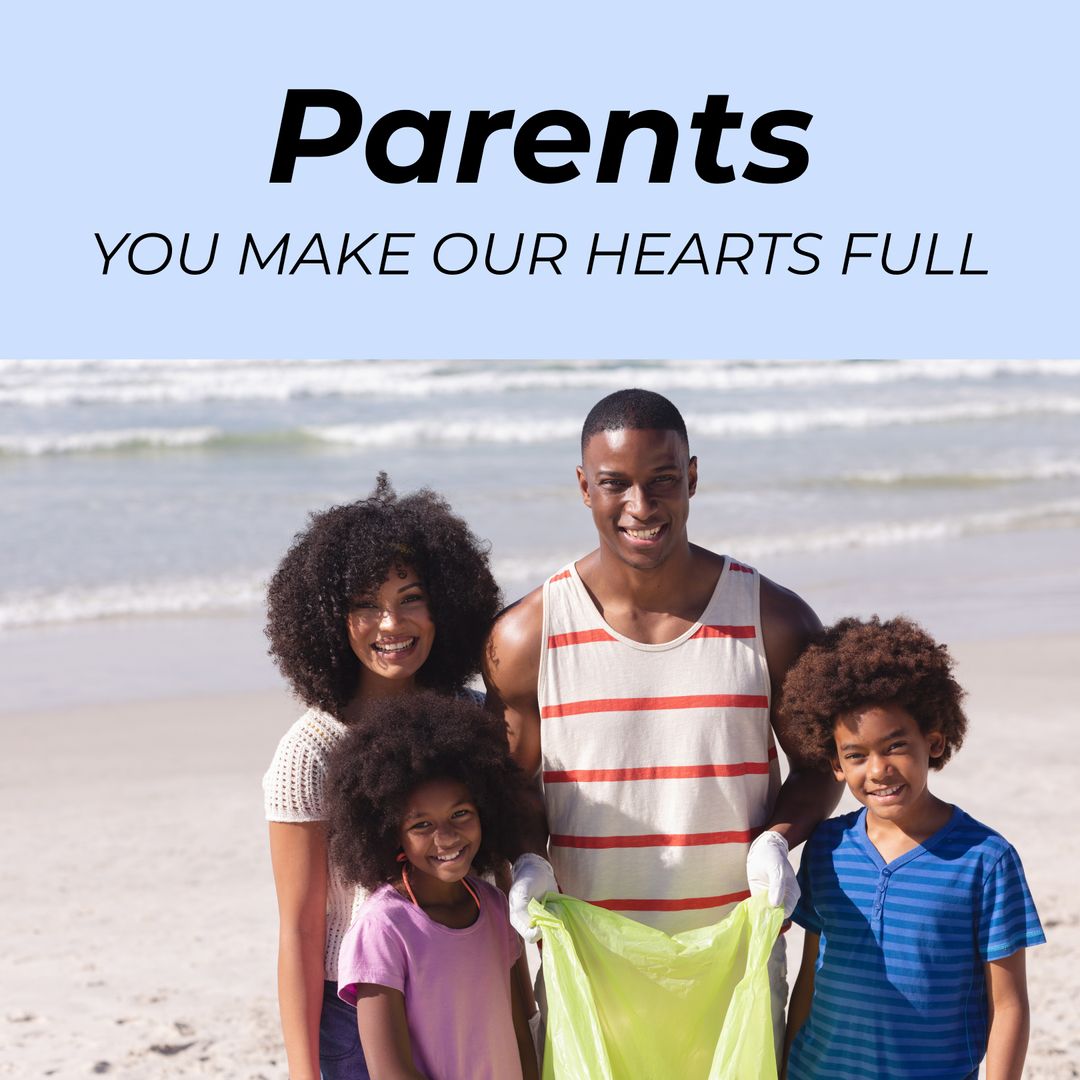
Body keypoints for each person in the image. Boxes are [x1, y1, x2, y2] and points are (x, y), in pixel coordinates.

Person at [483, 388, 842, 1048]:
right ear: (583, 486)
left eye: (663, 481)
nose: (641, 507)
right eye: (616, 485)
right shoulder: (526, 636)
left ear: (693, 478)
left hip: (733, 965)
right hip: (588, 967)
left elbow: (820, 763)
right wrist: (529, 859)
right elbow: (508, 785)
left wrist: (777, 840)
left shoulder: (775, 619)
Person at [263, 475, 501, 1080]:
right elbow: (299, 927)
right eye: (366, 605)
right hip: (359, 1012)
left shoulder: (476, 719)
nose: (390, 623)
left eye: (411, 597)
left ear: (444, 604)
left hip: (469, 989)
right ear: (329, 620)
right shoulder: (310, 752)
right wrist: (302, 1070)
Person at [780, 616, 1045, 1080]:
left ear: (934, 742)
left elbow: (1009, 1004)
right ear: (835, 764)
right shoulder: (826, 847)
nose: (878, 770)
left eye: (895, 746)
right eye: (856, 755)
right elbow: (809, 977)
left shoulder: (986, 860)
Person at [326, 691, 540, 1080]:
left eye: (460, 814)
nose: (447, 836)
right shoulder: (383, 928)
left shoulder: (494, 906)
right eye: (421, 824)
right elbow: (390, 1071)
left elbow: (518, 1034)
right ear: (391, 834)